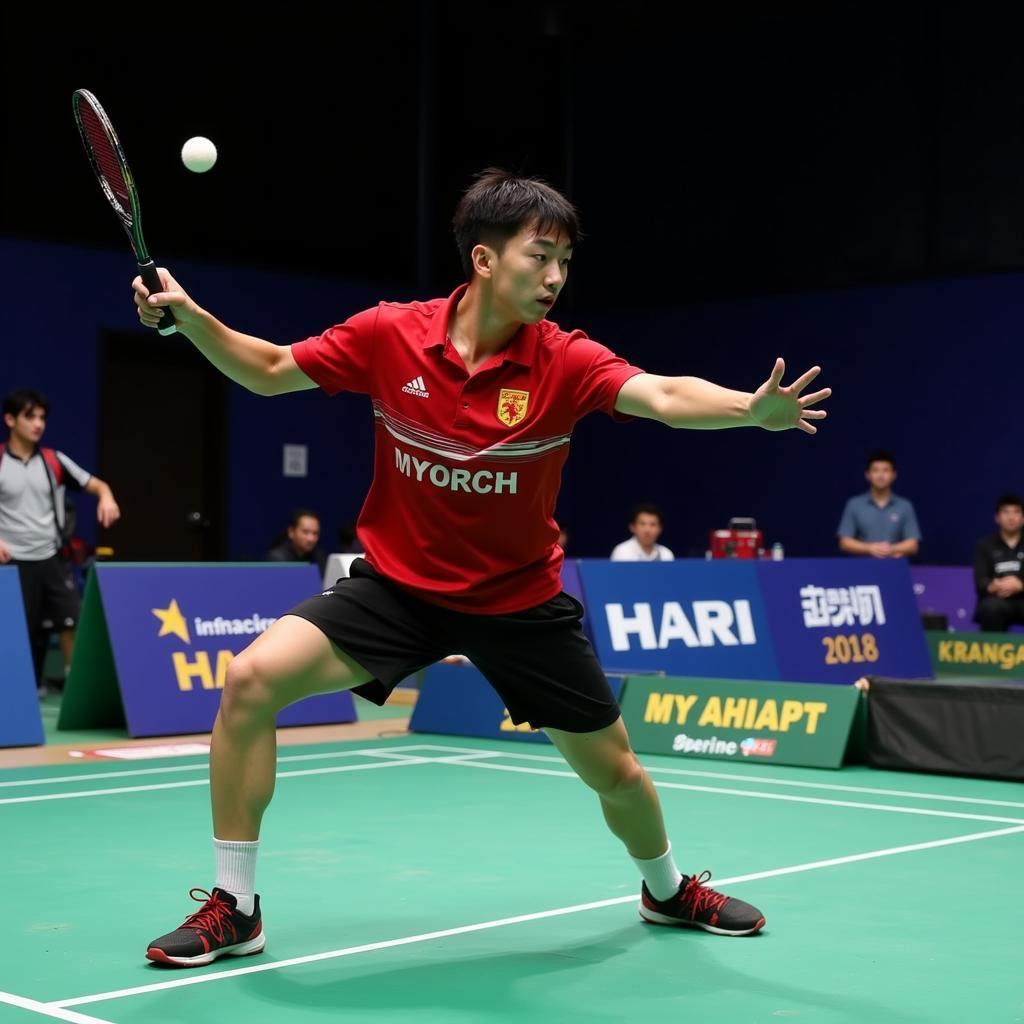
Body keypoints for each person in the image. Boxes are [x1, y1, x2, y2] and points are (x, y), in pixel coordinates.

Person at [133, 169, 830, 967]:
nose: (557, 277)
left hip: (519, 601)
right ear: (485, 260)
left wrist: (752, 409)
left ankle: (667, 890)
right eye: (542, 256)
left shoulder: (565, 361)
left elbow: (663, 394)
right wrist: (187, 319)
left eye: (567, 260)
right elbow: (266, 369)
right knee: (251, 681)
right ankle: (238, 906)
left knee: (619, 775)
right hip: (398, 590)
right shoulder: (390, 335)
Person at [0, 388, 120, 691]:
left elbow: (97, 485)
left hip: (51, 558)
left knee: (71, 620)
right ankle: (19, 692)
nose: (38, 424)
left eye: (42, 417)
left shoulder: (54, 461)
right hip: (12, 563)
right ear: (10, 420)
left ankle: (76, 686)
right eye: (30, 417)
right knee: (21, 633)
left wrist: (107, 498)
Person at [837, 450, 920, 559]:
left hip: (894, 567)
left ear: (894, 475)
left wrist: (891, 549)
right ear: (868, 475)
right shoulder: (854, 504)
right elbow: (844, 542)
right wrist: (869, 548)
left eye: (886, 470)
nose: (881, 475)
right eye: (875, 470)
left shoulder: (904, 505)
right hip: (862, 568)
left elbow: (913, 544)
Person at [973, 493, 1024, 632]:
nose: (1011, 517)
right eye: (1006, 512)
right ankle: (991, 653)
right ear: (997, 518)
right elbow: (981, 582)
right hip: (997, 600)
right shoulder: (985, 545)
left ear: (1023, 518)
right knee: (990, 607)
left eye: (1016, 512)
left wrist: (1020, 585)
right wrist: (994, 586)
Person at [265, 508, 328, 576]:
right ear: (291, 532)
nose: (311, 539)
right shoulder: (276, 559)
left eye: (315, 533)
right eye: (305, 532)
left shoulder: (322, 558)